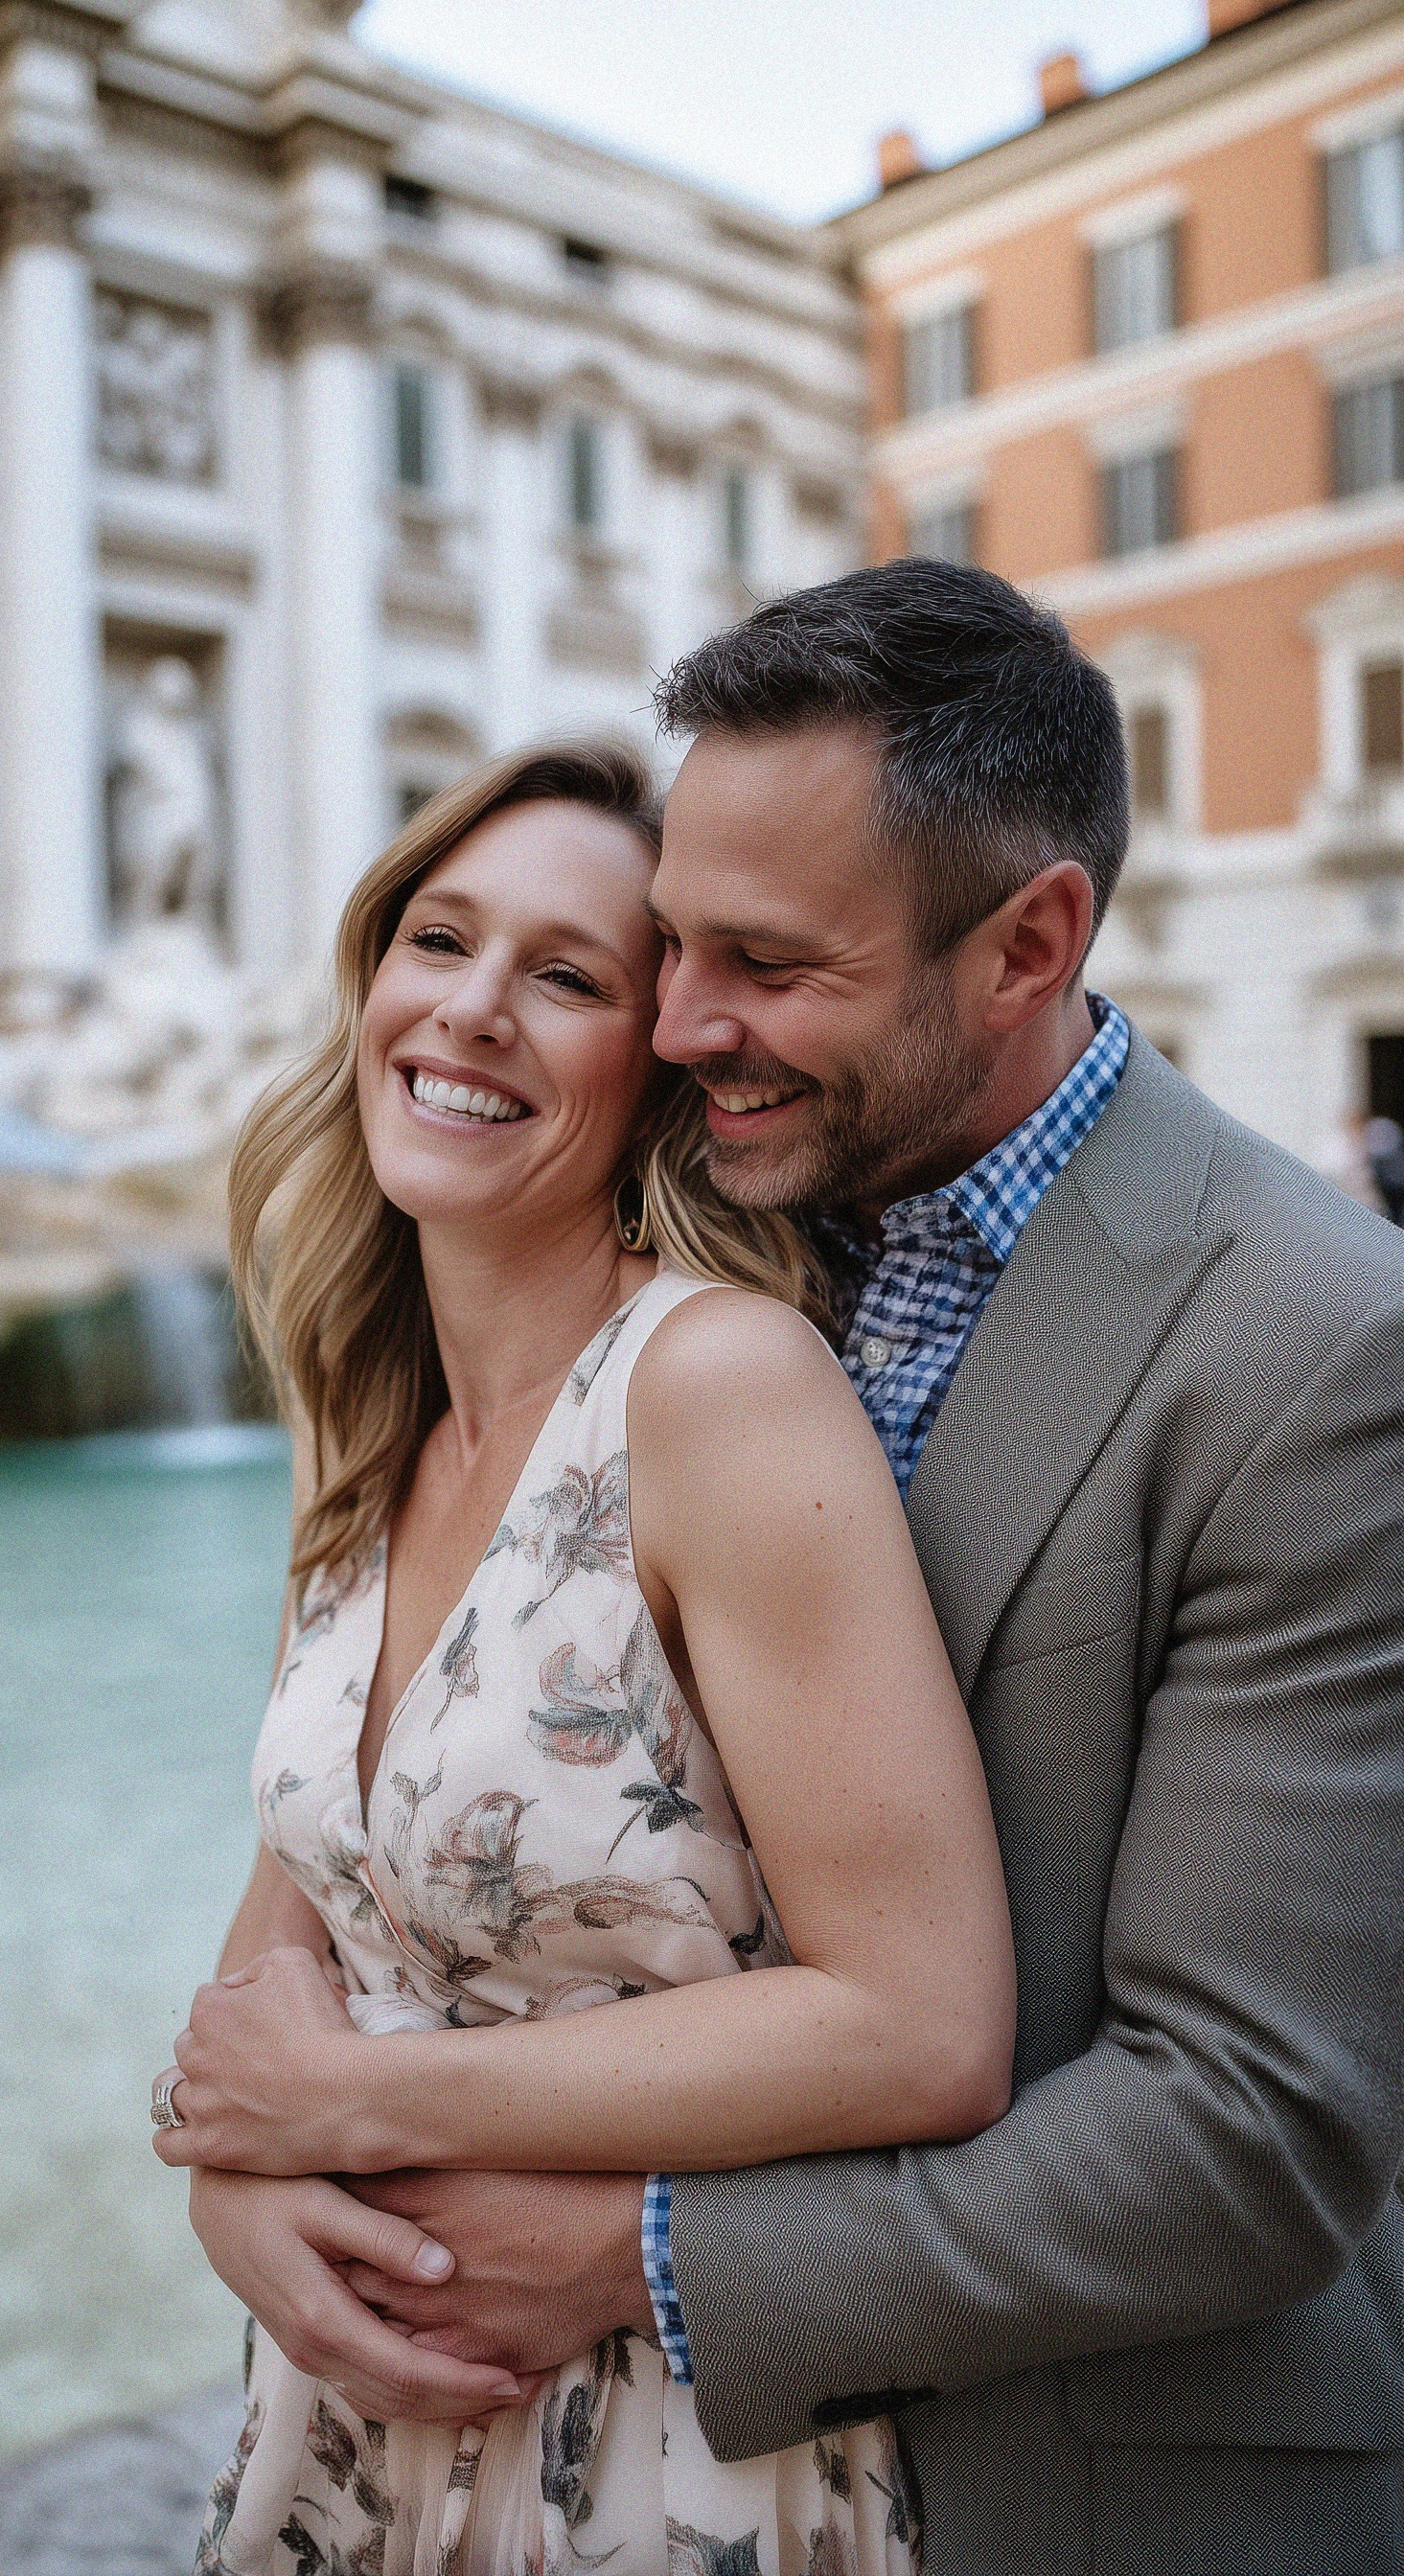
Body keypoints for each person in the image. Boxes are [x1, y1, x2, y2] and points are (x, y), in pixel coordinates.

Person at [171, 566, 1404, 2576]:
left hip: (1079, 2491)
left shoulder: (1319, 1347)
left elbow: (1250, 2128)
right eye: (658, 953)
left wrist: (638, 2257)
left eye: (753, 959)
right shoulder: (703, 1217)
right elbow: (326, 1913)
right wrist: (241, 2170)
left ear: (1025, 946)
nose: (673, 1025)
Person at [156, 737, 1017, 2571]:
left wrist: (361, 2106)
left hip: (661, 2455)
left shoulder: (719, 1390)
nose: (469, 1013)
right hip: (351, 2441)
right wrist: (236, 2191)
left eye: (564, 978)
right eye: (438, 940)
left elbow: (926, 2024)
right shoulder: (366, 1422)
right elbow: (278, 1976)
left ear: (654, 1073)